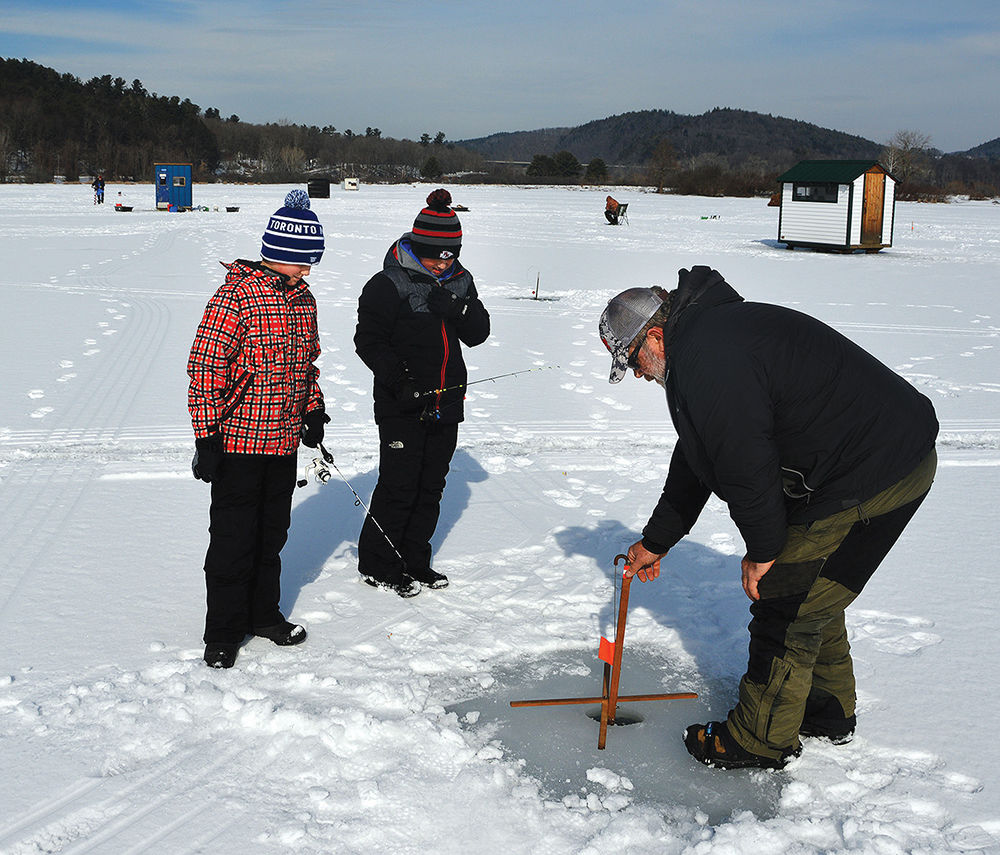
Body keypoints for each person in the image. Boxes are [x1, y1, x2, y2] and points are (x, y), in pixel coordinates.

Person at [599, 265, 938, 770]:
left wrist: (763, 553)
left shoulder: (708, 360)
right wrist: (657, 540)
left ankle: (757, 741)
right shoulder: (705, 340)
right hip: (884, 458)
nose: (641, 375)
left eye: (634, 361)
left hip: (871, 471)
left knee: (785, 604)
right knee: (813, 593)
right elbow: (698, 455)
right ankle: (825, 713)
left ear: (653, 336)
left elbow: (745, 465)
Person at [187, 190, 329, 669]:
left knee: (272, 536)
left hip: (283, 442)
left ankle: (263, 615)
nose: (309, 270)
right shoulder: (236, 296)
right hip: (238, 443)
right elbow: (205, 368)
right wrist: (206, 438)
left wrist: (313, 410)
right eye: (304, 262)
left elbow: (306, 363)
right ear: (282, 253)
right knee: (233, 540)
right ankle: (223, 632)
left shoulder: (302, 299)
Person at [354, 189, 490, 597]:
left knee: (431, 486)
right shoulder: (388, 283)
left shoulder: (460, 281)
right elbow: (368, 341)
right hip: (401, 405)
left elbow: (479, 333)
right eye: (436, 255)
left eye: (450, 255)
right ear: (417, 246)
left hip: (447, 402)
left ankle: (415, 560)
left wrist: (459, 309)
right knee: (399, 485)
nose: (443, 263)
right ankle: (380, 563)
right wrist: (401, 382)